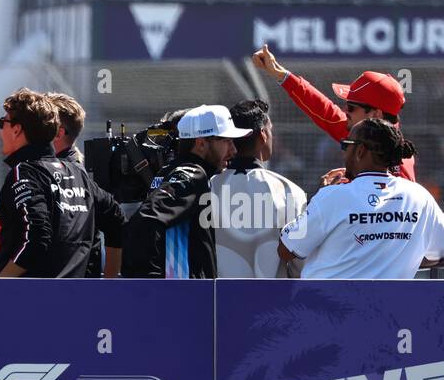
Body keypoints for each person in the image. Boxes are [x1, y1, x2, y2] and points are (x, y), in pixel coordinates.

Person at [278, 119, 444, 279]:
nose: (343, 152)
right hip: (392, 312)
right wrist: (399, 257)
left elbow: (286, 250)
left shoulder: (333, 195)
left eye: (345, 145)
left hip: (328, 310)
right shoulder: (420, 196)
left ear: (360, 151)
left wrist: (320, 198)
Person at [252, 44, 416, 181]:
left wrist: (353, 180)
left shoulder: (399, 165)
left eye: (352, 107)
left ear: (376, 115)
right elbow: (324, 110)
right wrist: (280, 73)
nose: (345, 111)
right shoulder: (368, 133)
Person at [121, 104, 249, 278]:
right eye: (227, 141)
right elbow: (145, 220)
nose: (234, 150)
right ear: (201, 143)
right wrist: (151, 287)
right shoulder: (193, 174)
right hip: (183, 300)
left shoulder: (171, 169)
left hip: (184, 298)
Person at [0, 89, 70, 278]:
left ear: (16, 129)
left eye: (3, 122)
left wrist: (1, 282)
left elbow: (36, 238)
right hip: (73, 295)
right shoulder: (75, 173)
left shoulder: (25, 172)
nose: (0, 130)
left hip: (27, 299)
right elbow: (9, 240)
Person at [207, 98, 308, 278]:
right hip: (274, 301)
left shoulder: (207, 187)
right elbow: (300, 260)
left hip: (217, 300)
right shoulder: (289, 191)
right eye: (271, 131)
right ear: (263, 135)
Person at [45, 91, 127, 278]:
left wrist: (109, 281)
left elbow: (117, 221)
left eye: (41, 124)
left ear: (58, 133)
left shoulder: (74, 175)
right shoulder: (63, 170)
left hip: (69, 292)